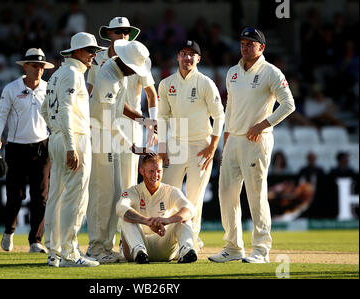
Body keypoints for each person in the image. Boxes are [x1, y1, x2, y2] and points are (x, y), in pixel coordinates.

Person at [209, 27, 295, 264]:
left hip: (257, 140)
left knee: (255, 195)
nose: (245, 47)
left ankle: (261, 249)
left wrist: (262, 125)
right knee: (226, 194)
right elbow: (230, 108)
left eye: (250, 44)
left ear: (262, 47)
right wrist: (226, 137)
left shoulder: (271, 72)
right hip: (233, 140)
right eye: (243, 43)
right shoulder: (233, 72)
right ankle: (233, 248)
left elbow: (289, 105)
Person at [86, 39, 157, 263]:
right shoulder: (107, 77)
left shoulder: (119, 73)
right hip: (100, 137)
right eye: (133, 68)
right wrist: (132, 145)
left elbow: (121, 107)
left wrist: (144, 119)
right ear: (126, 63)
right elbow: (108, 121)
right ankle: (97, 248)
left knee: (115, 193)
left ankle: (105, 246)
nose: (135, 72)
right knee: (103, 195)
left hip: (110, 138)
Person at [42, 32, 104, 268]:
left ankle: (54, 252)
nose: (93, 56)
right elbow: (66, 110)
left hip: (59, 137)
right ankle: (69, 253)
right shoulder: (73, 75)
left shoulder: (57, 75)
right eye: (90, 51)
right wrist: (69, 145)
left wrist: (55, 132)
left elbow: (45, 110)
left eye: (95, 51)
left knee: (57, 196)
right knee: (74, 198)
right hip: (73, 139)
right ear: (76, 52)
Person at [158, 40, 225, 251]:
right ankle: (168, 241)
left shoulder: (205, 83)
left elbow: (219, 115)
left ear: (198, 59)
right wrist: (161, 147)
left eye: (191, 54)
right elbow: (162, 116)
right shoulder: (166, 83)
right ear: (177, 57)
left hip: (200, 146)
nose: (187, 58)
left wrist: (213, 146)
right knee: (169, 195)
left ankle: (191, 242)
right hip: (176, 146)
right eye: (183, 54)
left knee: (194, 197)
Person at [88, 16, 158, 202]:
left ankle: (125, 229)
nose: (123, 35)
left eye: (126, 32)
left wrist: (152, 121)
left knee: (127, 182)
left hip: (130, 125)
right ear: (109, 34)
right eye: (118, 31)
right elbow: (92, 92)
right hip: (104, 123)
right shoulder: (98, 59)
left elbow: (151, 93)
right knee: (102, 182)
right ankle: (105, 228)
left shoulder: (138, 57)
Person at [0, 48, 54, 253]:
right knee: (16, 195)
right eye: (35, 66)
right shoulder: (11, 88)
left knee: (41, 196)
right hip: (17, 146)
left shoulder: (49, 88)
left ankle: (35, 240)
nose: (38, 70)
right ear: (25, 66)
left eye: (41, 66)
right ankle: (9, 231)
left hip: (42, 146)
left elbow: (55, 115)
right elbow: (1, 114)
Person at [116, 154, 197, 264]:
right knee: (127, 218)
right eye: (151, 171)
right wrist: (147, 222)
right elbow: (121, 208)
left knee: (183, 218)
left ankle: (187, 251)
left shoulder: (171, 191)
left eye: (158, 171)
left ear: (162, 171)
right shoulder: (133, 191)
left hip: (164, 244)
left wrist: (167, 220)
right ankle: (140, 253)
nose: (156, 175)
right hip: (137, 245)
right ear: (142, 171)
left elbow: (190, 209)